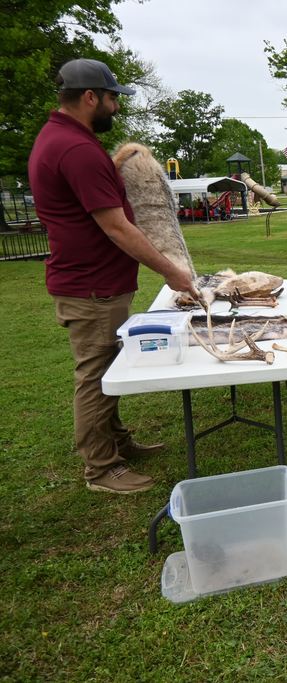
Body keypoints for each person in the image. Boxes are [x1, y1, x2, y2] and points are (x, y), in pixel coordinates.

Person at [28, 58, 196, 494]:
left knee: (106, 367)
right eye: (111, 99)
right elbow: (118, 225)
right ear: (90, 97)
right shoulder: (77, 150)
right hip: (92, 286)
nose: (115, 108)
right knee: (97, 374)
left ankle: (117, 441)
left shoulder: (64, 140)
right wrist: (172, 272)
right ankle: (101, 468)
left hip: (96, 283)